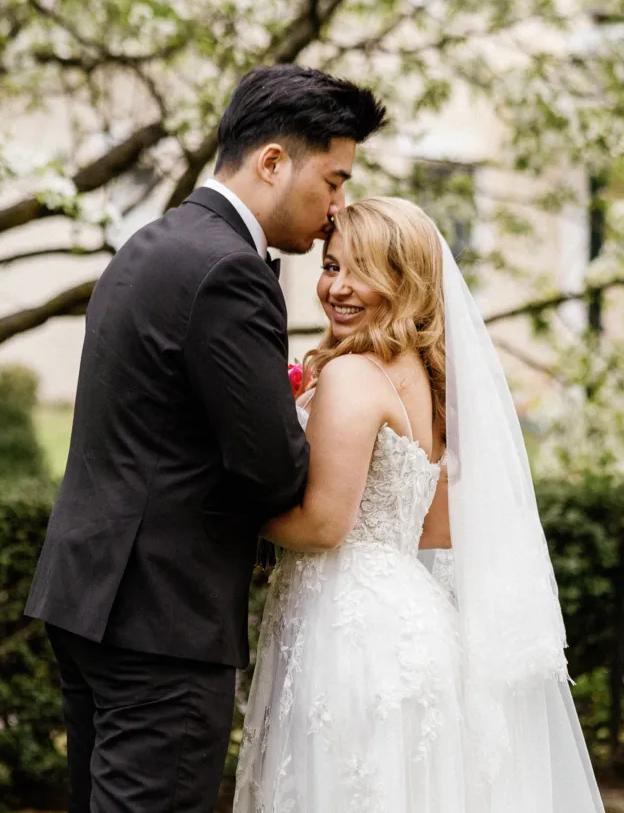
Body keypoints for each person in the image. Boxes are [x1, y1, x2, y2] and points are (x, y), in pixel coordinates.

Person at [24, 64, 387, 813]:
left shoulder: (150, 245)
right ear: (273, 162)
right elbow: (271, 473)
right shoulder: (228, 268)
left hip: (89, 594)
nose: (335, 208)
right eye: (333, 180)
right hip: (163, 616)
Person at [235, 197, 605, 813]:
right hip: (413, 624)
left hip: (348, 636)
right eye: (331, 266)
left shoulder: (355, 375)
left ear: (405, 283)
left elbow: (325, 526)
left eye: (364, 271)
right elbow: (432, 529)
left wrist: (222, 510)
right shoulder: (426, 377)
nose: (338, 288)